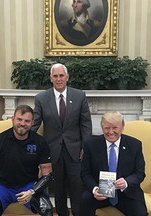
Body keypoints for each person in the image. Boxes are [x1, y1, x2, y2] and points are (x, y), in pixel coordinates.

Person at [32, 63, 92, 216]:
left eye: (61, 76)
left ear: (67, 77)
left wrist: (86, 148)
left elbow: (86, 124)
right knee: (58, 189)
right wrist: (20, 138)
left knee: (77, 187)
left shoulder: (79, 96)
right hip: (53, 152)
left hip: (75, 151)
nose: (59, 79)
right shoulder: (41, 98)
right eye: (55, 76)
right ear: (51, 78)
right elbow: (35, 123)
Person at [0, 105, 53, 216]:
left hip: (28, 186)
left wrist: (32, 191)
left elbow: (47, 175)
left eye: (27, 121)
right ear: (13, 119)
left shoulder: (40, 142)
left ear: (32, 123)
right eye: (19, 119)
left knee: (46, 208)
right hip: (2, 186)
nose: (23, 124)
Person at [80, 111, 148, 216]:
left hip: (126, 193)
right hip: (100, 192)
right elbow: (85, 173)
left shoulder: (135, 145)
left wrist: (126, 182)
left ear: (122, 128)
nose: (111, 132)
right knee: (83, 203)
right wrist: (94, 189)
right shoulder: (91, 145)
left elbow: (140, 173)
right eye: (107, 128)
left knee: (141, 213)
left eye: (115, 128)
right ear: (102, 128)